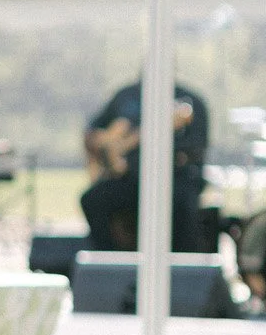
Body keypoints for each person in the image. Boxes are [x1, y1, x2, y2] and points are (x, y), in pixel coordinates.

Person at [80, 76, 210, 252]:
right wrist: (112, 149)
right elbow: (94, 134)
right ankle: (112, 261)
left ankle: (183, 267)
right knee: (92, 200)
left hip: (174, 178)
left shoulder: (189, 100)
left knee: (183, 206)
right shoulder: (125, 96)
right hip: (129, 178)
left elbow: (196, 149)